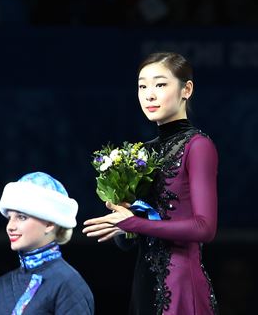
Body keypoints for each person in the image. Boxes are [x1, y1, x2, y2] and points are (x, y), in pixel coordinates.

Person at [82, 51, 219, 315]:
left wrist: (132, 223)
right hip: (143, 280)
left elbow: (205, 228)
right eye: (142, 86)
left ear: (186, 89)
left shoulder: (198, 146)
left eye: (160, 84)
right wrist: (124, 227)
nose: (149, 94)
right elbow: (135, 236)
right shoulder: (142, 154)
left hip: (179, 284)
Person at [0, 171, 94, 314]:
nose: (10, 226)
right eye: (9, 217)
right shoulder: (2, 285)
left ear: (49, 223)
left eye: (21, 217)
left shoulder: (68, 283)